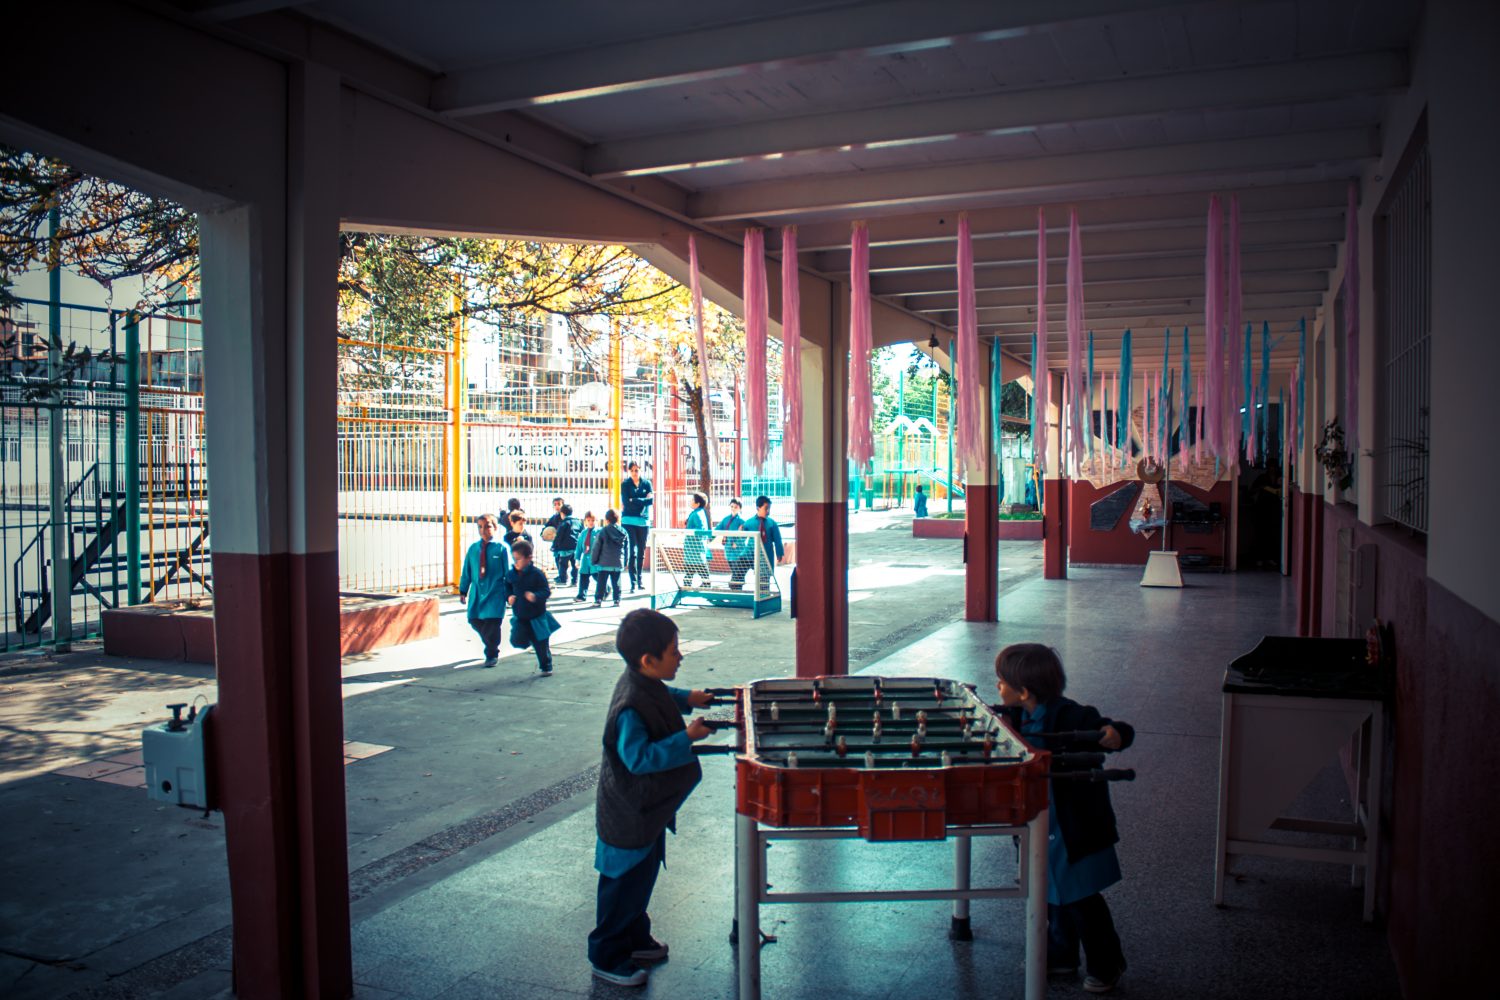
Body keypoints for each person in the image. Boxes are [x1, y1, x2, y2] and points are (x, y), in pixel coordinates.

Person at [993, 643, 1134, 994]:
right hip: (1039, 826)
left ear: (1023, 691)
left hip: (1075, 828)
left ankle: (1107, 963)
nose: (998, 687)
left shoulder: (1070, 715)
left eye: (1002, 681)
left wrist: (1115, 735)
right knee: (1047, 896)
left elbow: (1113, 730)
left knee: (1083, 902)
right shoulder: (1014, 718)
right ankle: (1060, 956)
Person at [587, 608, 713, 987]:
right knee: (622, 885)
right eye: (674, 652)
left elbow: (661, 693)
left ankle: (635, 938)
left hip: (647, 813)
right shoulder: (629, 706)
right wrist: (685, 738)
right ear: (649, 660)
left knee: (641, 879)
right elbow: (639, 759)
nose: (681, 657)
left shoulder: (642, 680)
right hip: (628, 814)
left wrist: (688, 697)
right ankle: (607, 955)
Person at [457, 513, 509, 668]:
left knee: (492, 623)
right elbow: (467, 570)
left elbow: (509, 572)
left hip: (495, 592)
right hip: (477, 593)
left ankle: (492, 653)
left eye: (487, 526)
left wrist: (511, 593)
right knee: (474, 620)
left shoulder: (501, 548)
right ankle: (490, 644)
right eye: (480, 527)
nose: (483, 530)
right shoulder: (473, 549)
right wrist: (463, 590)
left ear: (495, 527)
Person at [506, 540, 558, 675]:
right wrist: (509, 596)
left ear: (528, 558)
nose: (516, 562)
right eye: (514, 559)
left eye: (518, 559)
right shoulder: (511, 574)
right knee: (517, 640)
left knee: (541, 644)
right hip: (521, 615)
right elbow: (506, 587)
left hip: (537, 616)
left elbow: (546, 591)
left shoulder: (537, 574)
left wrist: (535, 596)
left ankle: (546, 666)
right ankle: (527, 640)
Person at [739, 495, 785, 596]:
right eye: (766, 508)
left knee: (763, 580)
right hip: (750, 554)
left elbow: (777, 539)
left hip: (765, 556)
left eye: (769, 509)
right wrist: (740, 533)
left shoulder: (772, 523)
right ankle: (735, 588)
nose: (768, 511)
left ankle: (763, 597)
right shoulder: (749, 523)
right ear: (758, 508)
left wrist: (779, 553)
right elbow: (742, 537)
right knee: (739, 567)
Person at [620, 461, 653, 592]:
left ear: (640, 470)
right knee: (632, 551)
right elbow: (626, 504)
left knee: (641, 551)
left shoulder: (646, 483)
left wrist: (635, 500)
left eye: (637, 470)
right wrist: (642, 501)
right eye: (632, 470)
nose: (635, 472)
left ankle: (640, 579)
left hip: (643, 522)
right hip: (628, 520)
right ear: (629, 471)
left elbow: (650, 501)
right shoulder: (625, 484)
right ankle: (632, 582)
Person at [591, 509, 630, 608]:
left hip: (604, 563)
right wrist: (625, 562)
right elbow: (627, 549)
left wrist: (594, 560)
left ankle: (598, 600)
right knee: (616, 582)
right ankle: (617, 600)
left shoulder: (603, 531)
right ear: (618, 519)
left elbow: (596, 547)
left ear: (606, 520)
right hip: (617, 563)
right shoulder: (623, 532)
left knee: (601, 583)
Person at [716, 498, 750, 590]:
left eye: (736, 507)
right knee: (733, 569)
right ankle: (737, 586)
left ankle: (736, 587)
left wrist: (737, 543)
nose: (733, 508)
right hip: (728, 549)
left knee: (737, 570)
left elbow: (745, 535)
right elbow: (718, 529)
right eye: (732, 506)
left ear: (740, 508)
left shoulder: (742, 520)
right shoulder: (726, 519)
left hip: (738, 550)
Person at [682, 493, 711, 588]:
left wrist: (691, 535)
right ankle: (704, 585)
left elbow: (701, 530)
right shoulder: (700, 512)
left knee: (695, 570)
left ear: (697, 503)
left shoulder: (696, 514)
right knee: (695, 571)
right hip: (696, 550)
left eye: (692, 500)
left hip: (694, 550)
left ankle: (689, 587)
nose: (690, 502)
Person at [553, 503, 581, 584]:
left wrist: (554, 546)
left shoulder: (564, 523)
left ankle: (563, 578)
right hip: (576, 547)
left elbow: (559, 536)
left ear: (562, 513)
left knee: (563, 564)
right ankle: (574, 580)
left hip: (565, 548)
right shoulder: (578, 522)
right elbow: (582, 533)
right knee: (574, 565)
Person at [574, 511, 599, 603]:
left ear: (596, 521)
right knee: (583, 576)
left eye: (593, 520)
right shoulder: (583, 533)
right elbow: (579, 547)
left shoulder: (599, 532)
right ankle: (581, 595)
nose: (591, 522)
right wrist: (577, 559)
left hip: (596, 558)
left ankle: (605, 589)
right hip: (585, 558)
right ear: (585, 521)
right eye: (588, 520)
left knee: (597, 576)